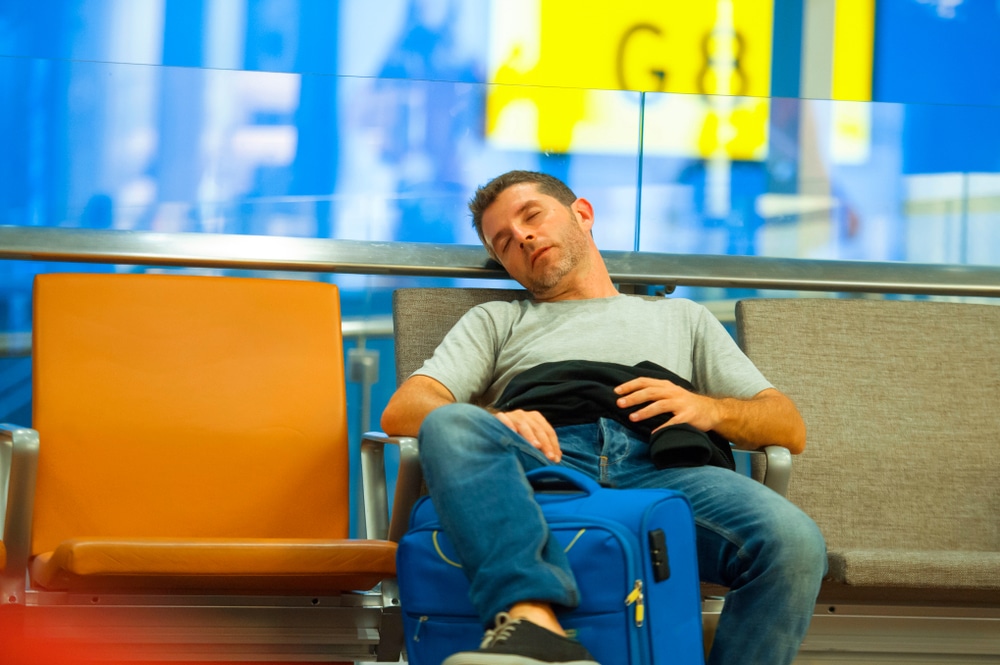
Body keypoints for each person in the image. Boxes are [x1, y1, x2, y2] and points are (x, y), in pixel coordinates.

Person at [381, 170, 827, 665]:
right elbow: (406, 407)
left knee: (793, 543)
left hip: (665, 469)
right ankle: (532, 623)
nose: (523, 238)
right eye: (504, 242)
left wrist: (708, 407)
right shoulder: (497, 320)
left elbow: (787, 425)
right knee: (449, 424)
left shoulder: (681, 318)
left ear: (583, 214)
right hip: (545, 461)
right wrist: (492, 420)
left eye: (532, 216)